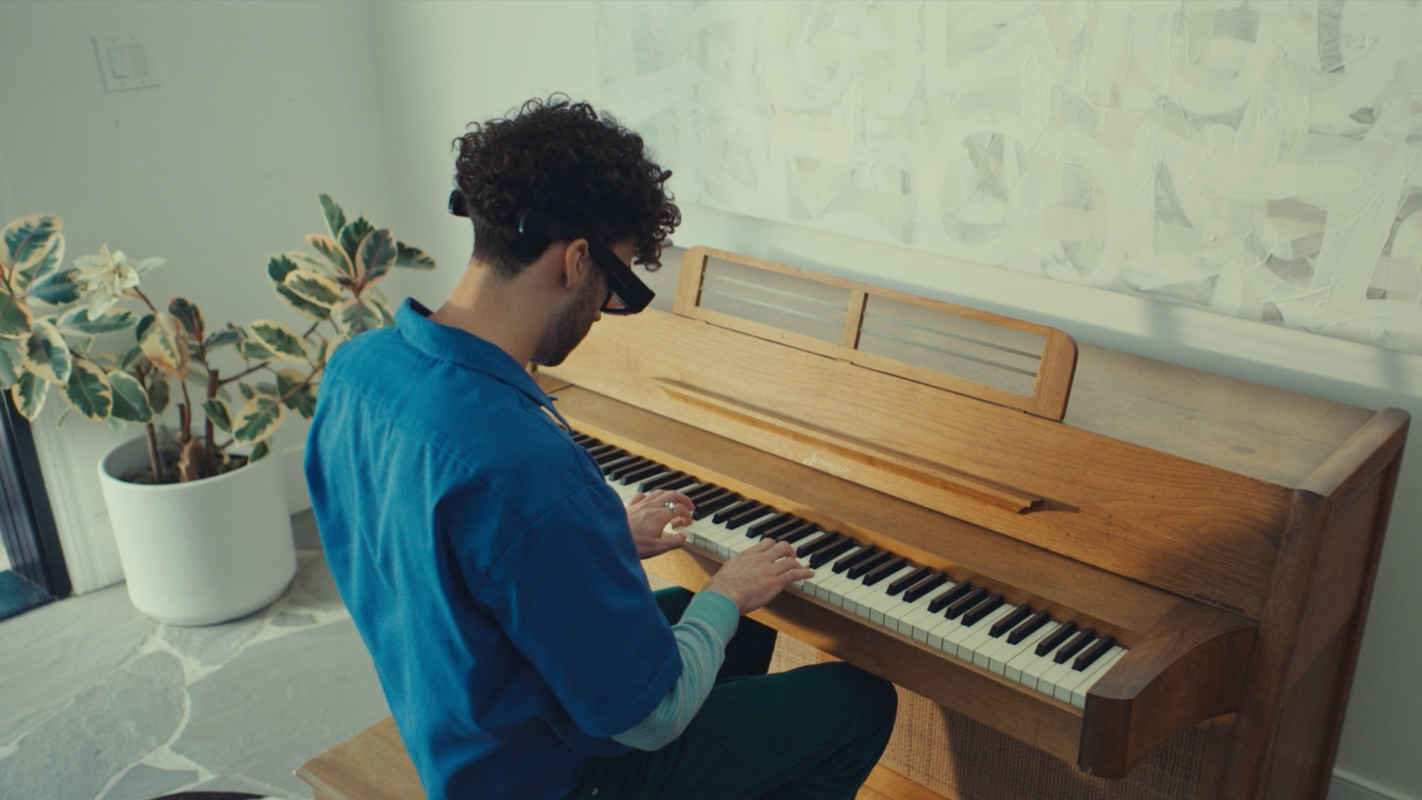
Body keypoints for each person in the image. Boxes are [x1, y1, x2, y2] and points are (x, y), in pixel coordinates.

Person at [304, 95, 897, 800]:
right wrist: (729, 591)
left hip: (454, 723)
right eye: (617, 287)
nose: (606, 312)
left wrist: (597, 537)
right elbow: (654, 719)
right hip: (547, 779)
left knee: (700, 619)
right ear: (577, 260)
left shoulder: (355, 371)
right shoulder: (526, 462)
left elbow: (441, 551)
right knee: (858, 700)